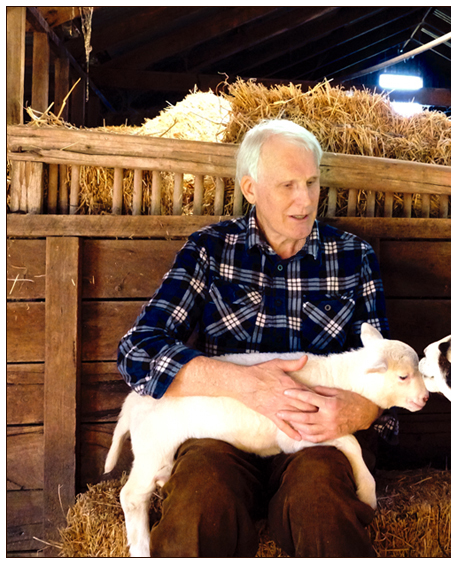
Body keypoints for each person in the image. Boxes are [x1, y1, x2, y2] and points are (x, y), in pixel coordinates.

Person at [117, 119, 393, 557]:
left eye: (311, 182)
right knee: (199, 500)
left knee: (319, 498)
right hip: (223, 436)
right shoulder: (210, 249)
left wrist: (363, 410)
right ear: (250, 188)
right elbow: (138, 349)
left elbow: (388, 369)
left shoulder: (354, 257)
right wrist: (244, 384)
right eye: (287, 185)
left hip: (315, 437)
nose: (305, 200)